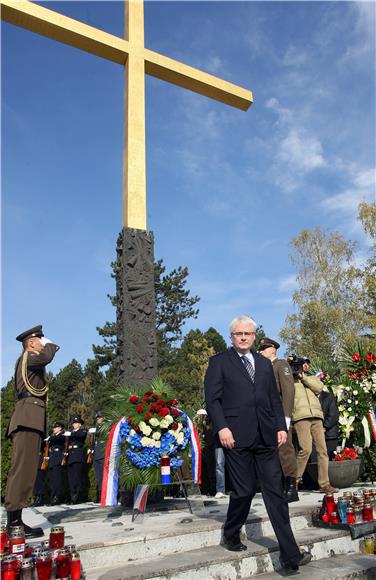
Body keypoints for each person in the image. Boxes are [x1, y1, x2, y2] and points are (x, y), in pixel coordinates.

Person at [205, 315, 311, 573]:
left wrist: (280, 426)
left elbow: (273, 399)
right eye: (238, 333)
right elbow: (212, 399)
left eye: (248, 334)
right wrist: (222, 427)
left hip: (266, 437)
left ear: (254, 336)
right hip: (236, 436)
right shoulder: (219, 363)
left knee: (275, 494)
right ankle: (231, 533)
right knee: (243, 491)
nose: (243, 337)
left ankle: (290, 556)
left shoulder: (264, 364)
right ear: (232, 337)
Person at [5, 325, 60, 537]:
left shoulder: (27, 361)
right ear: (31, 343)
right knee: (22, 471)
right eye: (40, 341)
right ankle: (15, 525)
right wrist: (51, 345)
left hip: (30, 418)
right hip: (27, 419)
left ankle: (16, 521)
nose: (42, 344)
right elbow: (46, 357)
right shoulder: (29, 357)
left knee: (26, 471)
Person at [290, 356, 338, 493]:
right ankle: (294, 481)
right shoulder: (288, 379)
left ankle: (324, 484)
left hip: (317, 416)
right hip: (300, 416)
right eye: (296, 365)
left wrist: (303, 377)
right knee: (305, 450)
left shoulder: (311, 378)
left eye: (302, 364)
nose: (299, 367)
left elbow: (319, 388)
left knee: (323, 451)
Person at [259, 337, 298, 502]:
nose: (260, 352)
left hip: (280, 416)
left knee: (285, 450)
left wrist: (286, 417)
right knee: (273, 452)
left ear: (272, 349)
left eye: (263, 348)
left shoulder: (281, 365)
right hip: (267, 417)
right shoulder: (263, 368)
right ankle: (279, 486)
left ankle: (291, 488)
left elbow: (288, 391)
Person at [67, 416, 87, 504]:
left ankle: (78, 496)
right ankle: (72, 495)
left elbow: (81, 436)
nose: (74, 424)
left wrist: (70, 434)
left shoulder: (82, 431)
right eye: (73, 423)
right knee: (71, 478)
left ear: (79, 424)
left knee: (77, 477)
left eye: (75, 423)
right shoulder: (71, 432)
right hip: (70, 456)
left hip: (78, 456)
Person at [48, 421, 66, 505]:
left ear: (59, 428)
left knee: (57, 479)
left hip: (58, 457)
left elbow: (57, 439)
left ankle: (57, 496)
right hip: (52, 458)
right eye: (54, 427)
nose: (54, 429)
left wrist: (50, 438)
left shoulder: (62, 435)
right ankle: (53, 496)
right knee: (52, 479)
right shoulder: (53, 436)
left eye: (55, 427)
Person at [92, 412, 106, 502]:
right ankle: (100, 494)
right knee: (98, 476)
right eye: (97, 418)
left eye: (100, 418)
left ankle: (104, 495)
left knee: (104, 476)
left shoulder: (105, 427)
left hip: (103, 454)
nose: (98, 420)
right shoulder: (96, 428)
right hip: (97, 455)